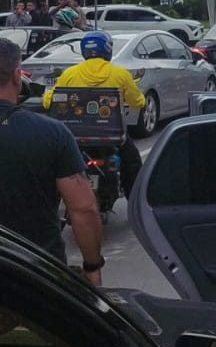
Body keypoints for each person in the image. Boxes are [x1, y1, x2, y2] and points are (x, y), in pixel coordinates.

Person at [0, 37, 104, 283]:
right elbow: (83, 209)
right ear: (17, 76)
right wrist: (92, 266)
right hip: (36, 275)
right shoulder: (52, 133)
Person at [42, 30, 145, 197]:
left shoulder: (70, 73)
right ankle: (134, 201)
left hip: (74, 135)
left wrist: (46, 94)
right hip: (111, 136)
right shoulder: (120, 74)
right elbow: (138, 102)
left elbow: (49, 101)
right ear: (108, 50)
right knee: (132, 162)